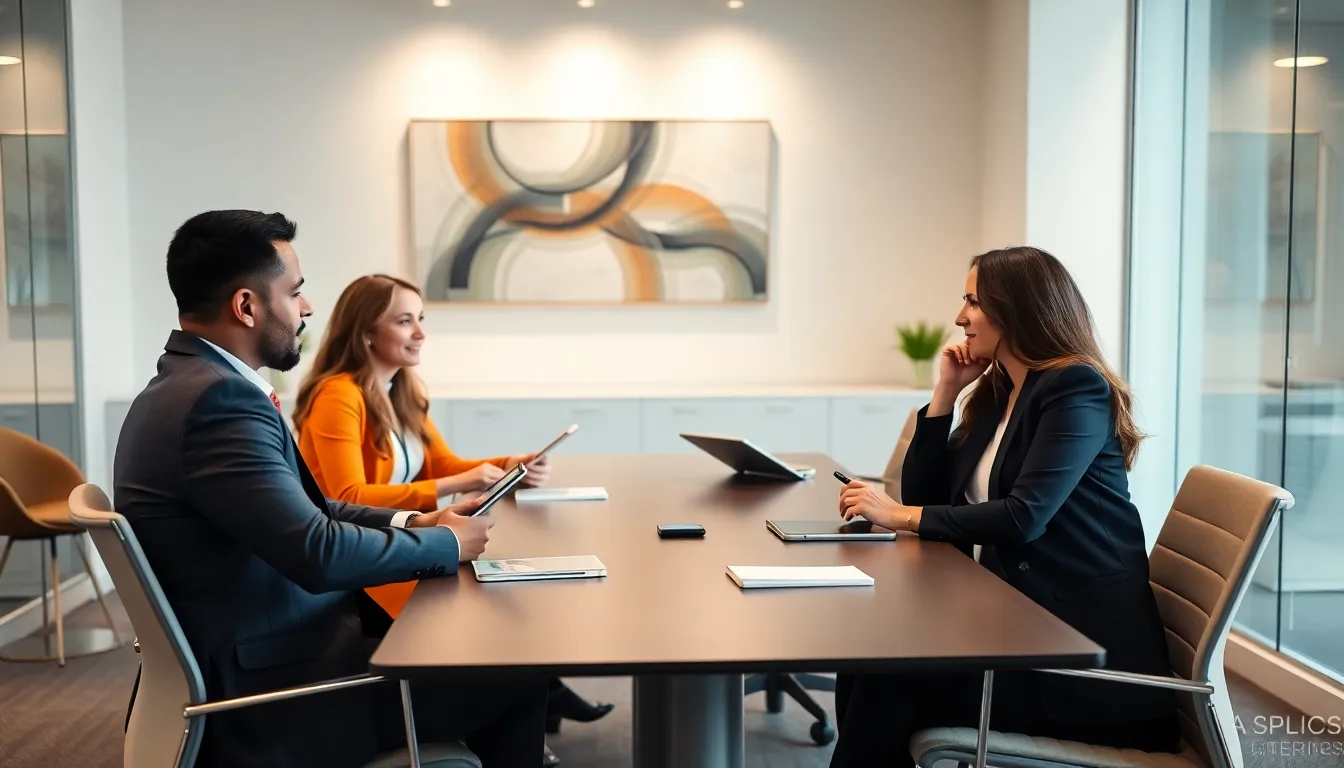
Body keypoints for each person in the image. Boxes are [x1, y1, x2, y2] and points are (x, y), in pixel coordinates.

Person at [113, 210, 548, 768]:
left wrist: (416, 522)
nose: (308, 308)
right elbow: (317, 551)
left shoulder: (185, 386)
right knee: (517, 673)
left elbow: (312, 509)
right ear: (246, 306)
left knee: (472, 647)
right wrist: (447, 545)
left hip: (271, 653)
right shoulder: (220, 404)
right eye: (295, 292)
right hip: (277, 695)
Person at [828, 247, 1180, 767]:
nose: (959, 317)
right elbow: (928, 501)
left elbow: (1023, 517)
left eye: (973, 301)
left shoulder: (1076, 388)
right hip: (1014, 626)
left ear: (1017, 308)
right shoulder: (1000, 393)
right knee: (868, 655)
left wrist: (896, 515)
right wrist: (946, 394)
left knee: (887, 677)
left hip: (1079, 661)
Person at [291, 274, 615, 766]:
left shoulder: (401, 390)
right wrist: (456, 484)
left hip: (405, 543)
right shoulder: (339, 395)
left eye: (421, 318)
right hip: (368, 565)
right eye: (405, 321)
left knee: (503, 594)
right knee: (492, 605)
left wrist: (509, 464)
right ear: (367, 332)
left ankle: (526, 703)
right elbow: (345, 496)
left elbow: (442, 464)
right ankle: (524, 701)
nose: (420, 332)